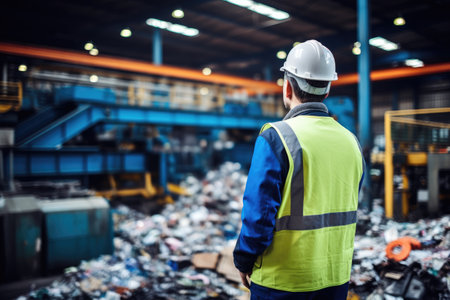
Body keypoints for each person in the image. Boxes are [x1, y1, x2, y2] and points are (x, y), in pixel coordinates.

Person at [233, 40, 365, 300]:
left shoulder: (277, 137)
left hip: (282, 282)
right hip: (335, 279)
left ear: (288, 86)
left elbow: (259, 216)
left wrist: (244, 260)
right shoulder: (352, 141)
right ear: (327, 90)